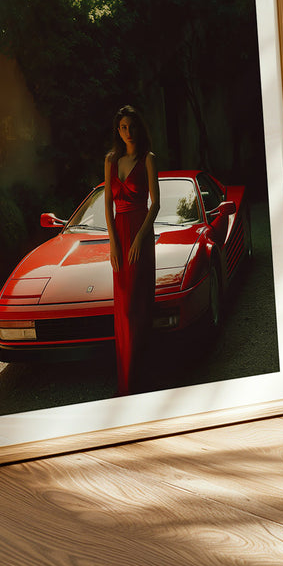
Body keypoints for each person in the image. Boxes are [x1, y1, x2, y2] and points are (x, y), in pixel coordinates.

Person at [104, 105, 159, 396]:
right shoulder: (111, 160)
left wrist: (139, 238)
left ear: (139, 128)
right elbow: (107, 206)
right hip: (120, 236)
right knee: (123, 309)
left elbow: (156, 204)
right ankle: (126, 380)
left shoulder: (148, 159)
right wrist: (113, 242)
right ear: (118, 130)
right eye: (123, 127)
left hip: (140, 235)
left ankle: (142, 378)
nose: (128, 132)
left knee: (138, 307)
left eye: (132, 127)